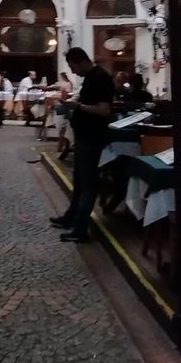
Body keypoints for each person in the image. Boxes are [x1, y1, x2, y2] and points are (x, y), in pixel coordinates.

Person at [49, 48, 114, 243]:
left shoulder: (100, 78)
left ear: (81, 62)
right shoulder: (90, 77)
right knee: (79, 181)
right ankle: (71, 217)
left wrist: (77, 106)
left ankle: (80, 228)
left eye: (73, 67)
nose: (72, 71)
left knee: (88, 183)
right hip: (84, 136)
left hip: (92, 137)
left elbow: (104, 110)